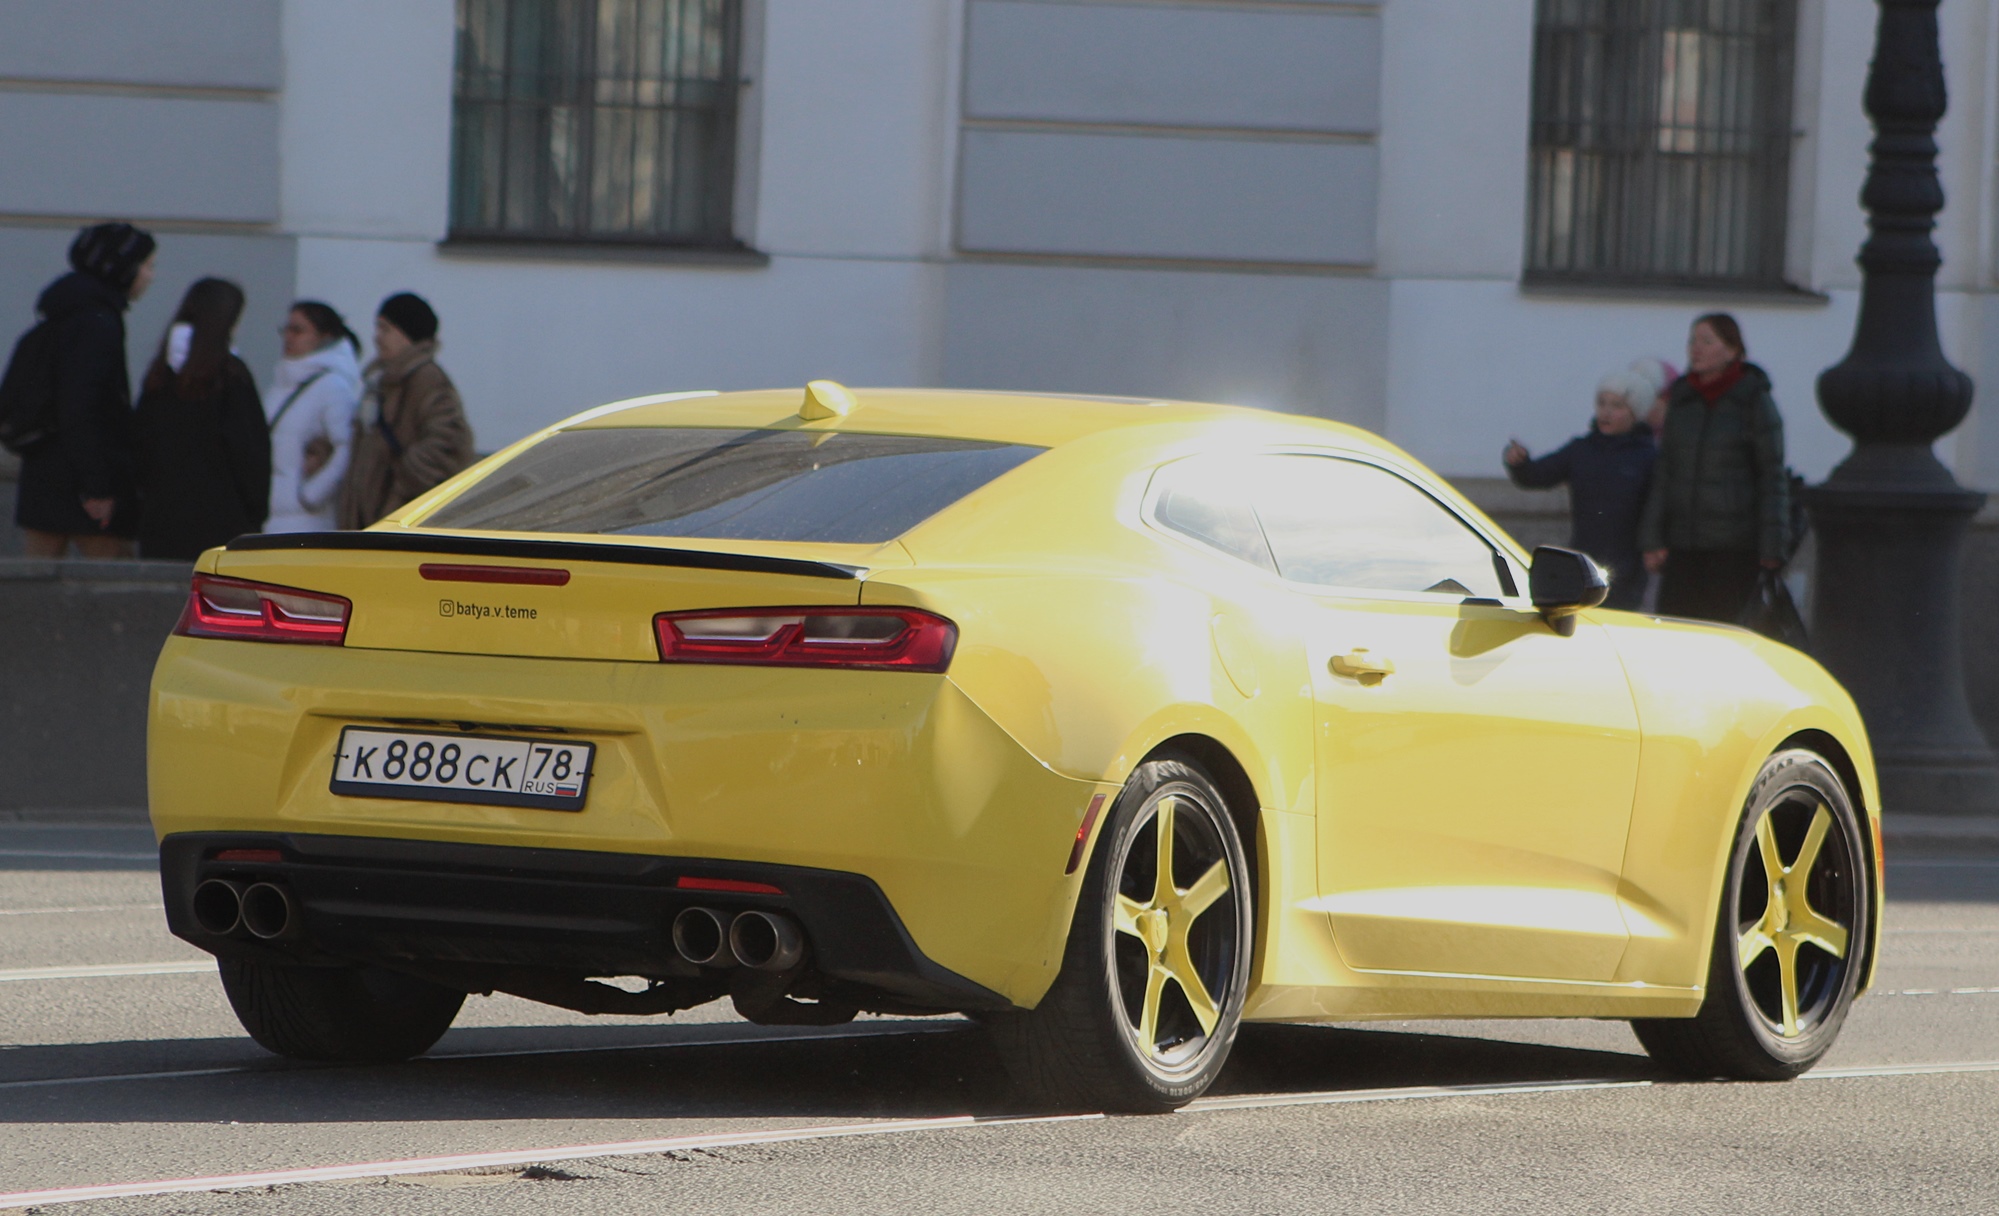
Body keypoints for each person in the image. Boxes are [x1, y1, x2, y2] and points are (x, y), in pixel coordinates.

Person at [13, 222, 156, 557]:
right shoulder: (96, 323)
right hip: (82, 492)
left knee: (31, 595)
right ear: (122, 267)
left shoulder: (64, 314)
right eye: (147, 265)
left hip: (44, 480)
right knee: (112, 593)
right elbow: (83, 407)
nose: (151, 276)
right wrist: (98, 489)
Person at [1639, 313, 1789, 623]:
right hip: (1682, 545)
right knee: (1674, 630)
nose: (1696, 348)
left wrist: (1773, 546)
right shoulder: (1682, 400)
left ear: (1733, 350)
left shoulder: (1753, 401)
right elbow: (1664, 473)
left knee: (1721, 631)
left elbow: (1771, 477)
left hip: (1733, 548)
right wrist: (1652, 538)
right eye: (1692, 340)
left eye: (1707, 341)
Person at [132, 278, 270, 559]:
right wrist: (255, 513)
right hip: (223, 525)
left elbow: (139, 446)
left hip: (161, 521)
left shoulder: (160, 377)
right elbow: (250, 454)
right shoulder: (231, 377)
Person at [1503, 368, 1659, 610]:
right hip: (1582, 562)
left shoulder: (1648, 457)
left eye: (1617, 406)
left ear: (1635, 413)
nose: (1606, 412)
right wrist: (1519, 462)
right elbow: (1537, 475)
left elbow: (1658, 508)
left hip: (1628, 570)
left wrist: (1656, 547)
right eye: (1602, 403)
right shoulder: (1581, 450)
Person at [338, 292, 475, 529]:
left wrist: (399, 483)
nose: (377, 337)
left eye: (385, 329)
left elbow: (450, 445)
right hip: (372, 522)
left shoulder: (427, 380)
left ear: (407, 334)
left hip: (400, 522)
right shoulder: (380, 381)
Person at [265, 301, 362, 534]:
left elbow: (348, 447)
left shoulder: (332, 386)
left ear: (324, 337)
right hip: (272, 517)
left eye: (298, 330)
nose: (288, 337)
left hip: (307, 523)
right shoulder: (281, 383)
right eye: (286, 329)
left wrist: (309, 496)